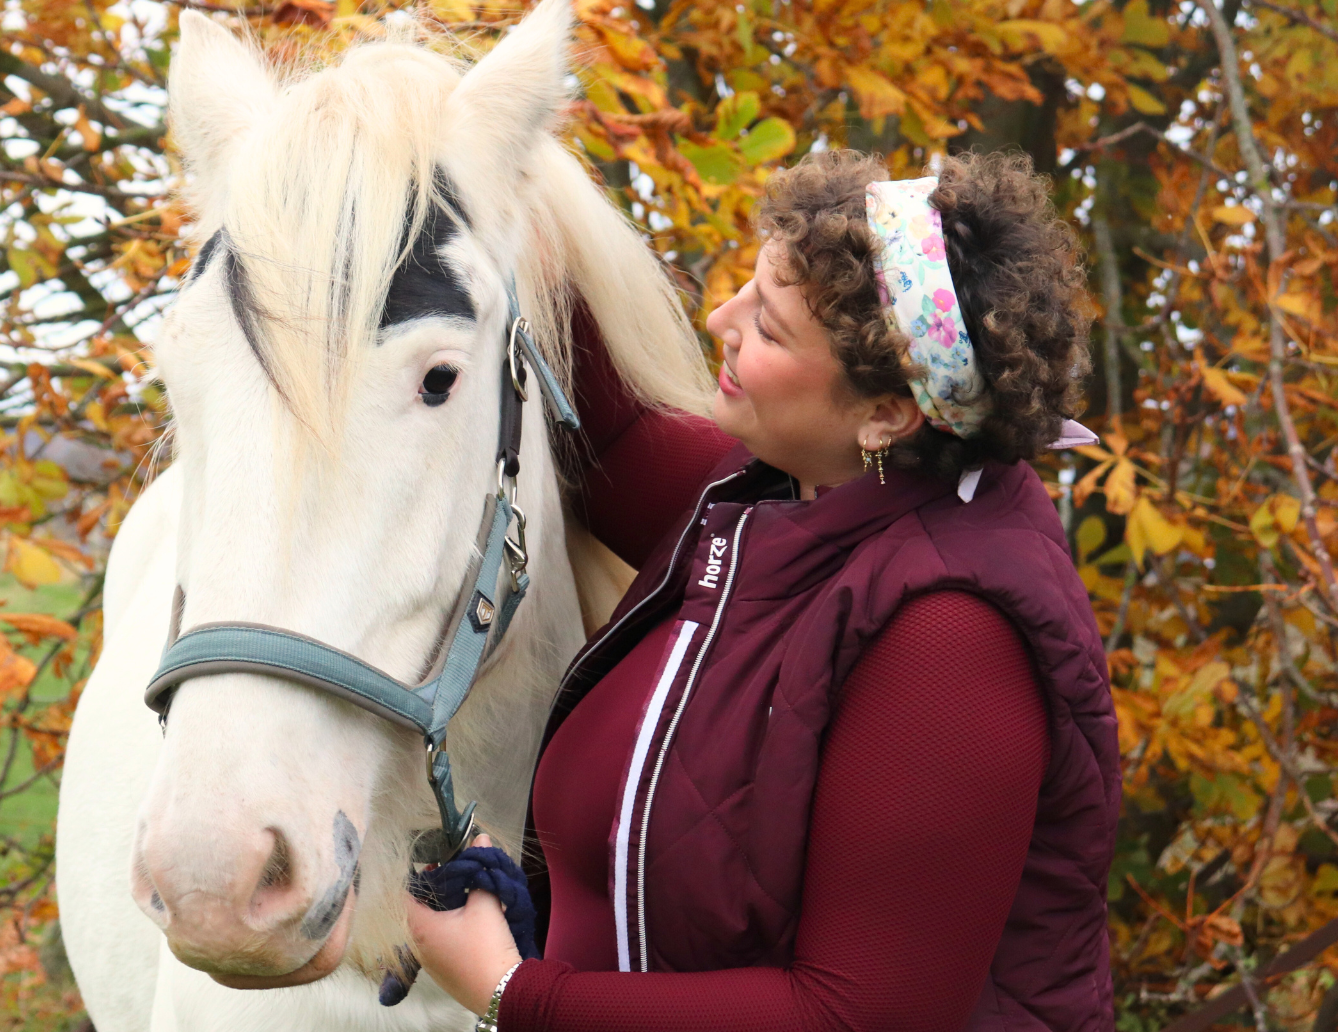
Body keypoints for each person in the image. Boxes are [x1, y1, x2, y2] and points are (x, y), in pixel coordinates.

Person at [407, 150, 1121, 1032]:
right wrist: (463, 179)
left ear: (885, 416)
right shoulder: (783, 495)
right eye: (747, 287)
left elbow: (858, 1014)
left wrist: (516, 993)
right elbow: (609, 432)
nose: (721, 318)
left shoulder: (951, 636)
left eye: (773, 330)